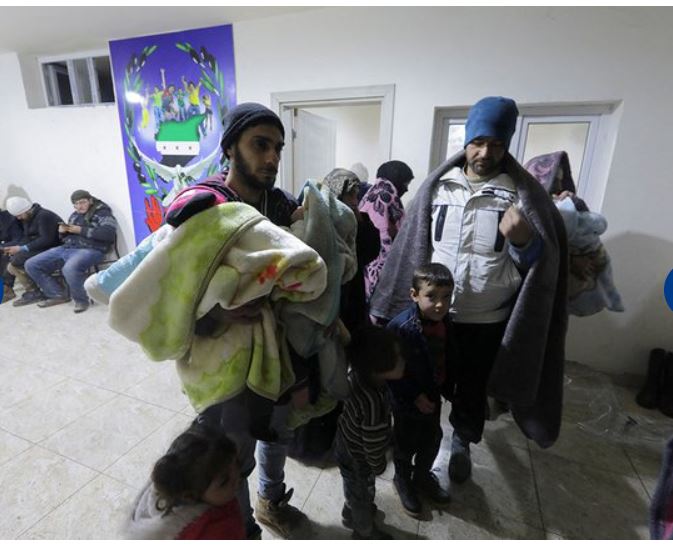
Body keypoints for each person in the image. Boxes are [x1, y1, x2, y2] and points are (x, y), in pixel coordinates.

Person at [369, 96, 568, 483]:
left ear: (506, 144)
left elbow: (539, 267)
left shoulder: (521, 194)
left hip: (485, 318)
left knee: (472, 388)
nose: (485, 153)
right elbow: (412, 246)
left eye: (496, 144)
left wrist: (525, 241)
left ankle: (462, 441)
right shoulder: (439, 187)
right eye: (478, 142)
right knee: (421, 378)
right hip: (434, 313)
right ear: (466, 140)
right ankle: (412, 441)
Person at [165, 102, 308, 539]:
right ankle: (244, 529)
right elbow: (167, 288)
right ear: (230, 148)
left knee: (277, 432)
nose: (272, 158)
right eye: (260, 145)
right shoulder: (203, 206)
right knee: (231, 458)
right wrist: (215, 311)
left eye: (278, 148)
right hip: (224, 360)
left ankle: (271, 499)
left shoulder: (277, 204)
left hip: (277, 351)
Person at [386, 263, 454, 517]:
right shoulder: (401, 328)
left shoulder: (447, 322)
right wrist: (414, 395)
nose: (440, 304)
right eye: (431, 296)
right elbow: (390, 371)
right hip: (406, 400)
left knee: (432, 438)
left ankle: (423, 476)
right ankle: (402, 479)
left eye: (446, 297)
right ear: (414, 295)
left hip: (433, 396)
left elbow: (448, 357)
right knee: (405, 443)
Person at [335, 325, 405, 539]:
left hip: (345, 442)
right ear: (377, 367)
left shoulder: (357, 375)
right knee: (362, 495)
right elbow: (372, 445)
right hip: (359, 457)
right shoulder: (373, 404)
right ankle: (363, 532)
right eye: (397, 358)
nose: (403, 360)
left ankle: (349, 511)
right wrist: (379, 466)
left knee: (352, 485)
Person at [128, 418, 245, 539]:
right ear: (190, 495)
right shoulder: (209, 532)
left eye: (237, 464)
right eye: (224, 481)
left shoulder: (209, 495)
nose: (237, 477)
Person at [24, 190, 117, 313]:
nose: (79, 206)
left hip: (92, 249)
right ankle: (57, 294)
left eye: (82, 202)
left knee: (69, 268)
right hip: (68, 247)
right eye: (76, 204)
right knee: (31, 264)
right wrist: (62, 232)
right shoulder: (74, 215)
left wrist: (81, 230)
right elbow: (66, 237)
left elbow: (108, 234)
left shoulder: (103, 213)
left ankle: (82, 300)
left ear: (90, 201)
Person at [322, 168, 380, 332]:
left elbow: (371, 251)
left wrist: (359, 221)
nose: (354, 201)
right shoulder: (319, 218)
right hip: (328, 292)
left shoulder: (359, 220)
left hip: (354, 290)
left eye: (356, 194)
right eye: (349, 194)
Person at [359, 160, 414, 301]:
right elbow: (385, 234)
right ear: (397, 179)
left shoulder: (371, 194)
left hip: (365, 271)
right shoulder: (385, 196)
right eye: (405, 184)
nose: (407, 189)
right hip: (379, 274)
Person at [3, 196, 63, 307]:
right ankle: (33, 292)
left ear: (27, 210)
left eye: (20, 215)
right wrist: (17, 247)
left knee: (17, 260)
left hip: (56, 248)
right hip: (42, 247)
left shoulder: (44, 216)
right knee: (12, 264)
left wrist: (22, 249)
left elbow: (47, 239)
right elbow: (27, 237)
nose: (19, 218)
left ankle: (40, 292)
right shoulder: (28, 218)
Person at [0, 204, 23, 302]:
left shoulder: (9, 218)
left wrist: (2, 246)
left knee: (5, 255)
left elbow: (18, 239)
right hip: (4, 246)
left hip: (18, 245)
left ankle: (7, 289)